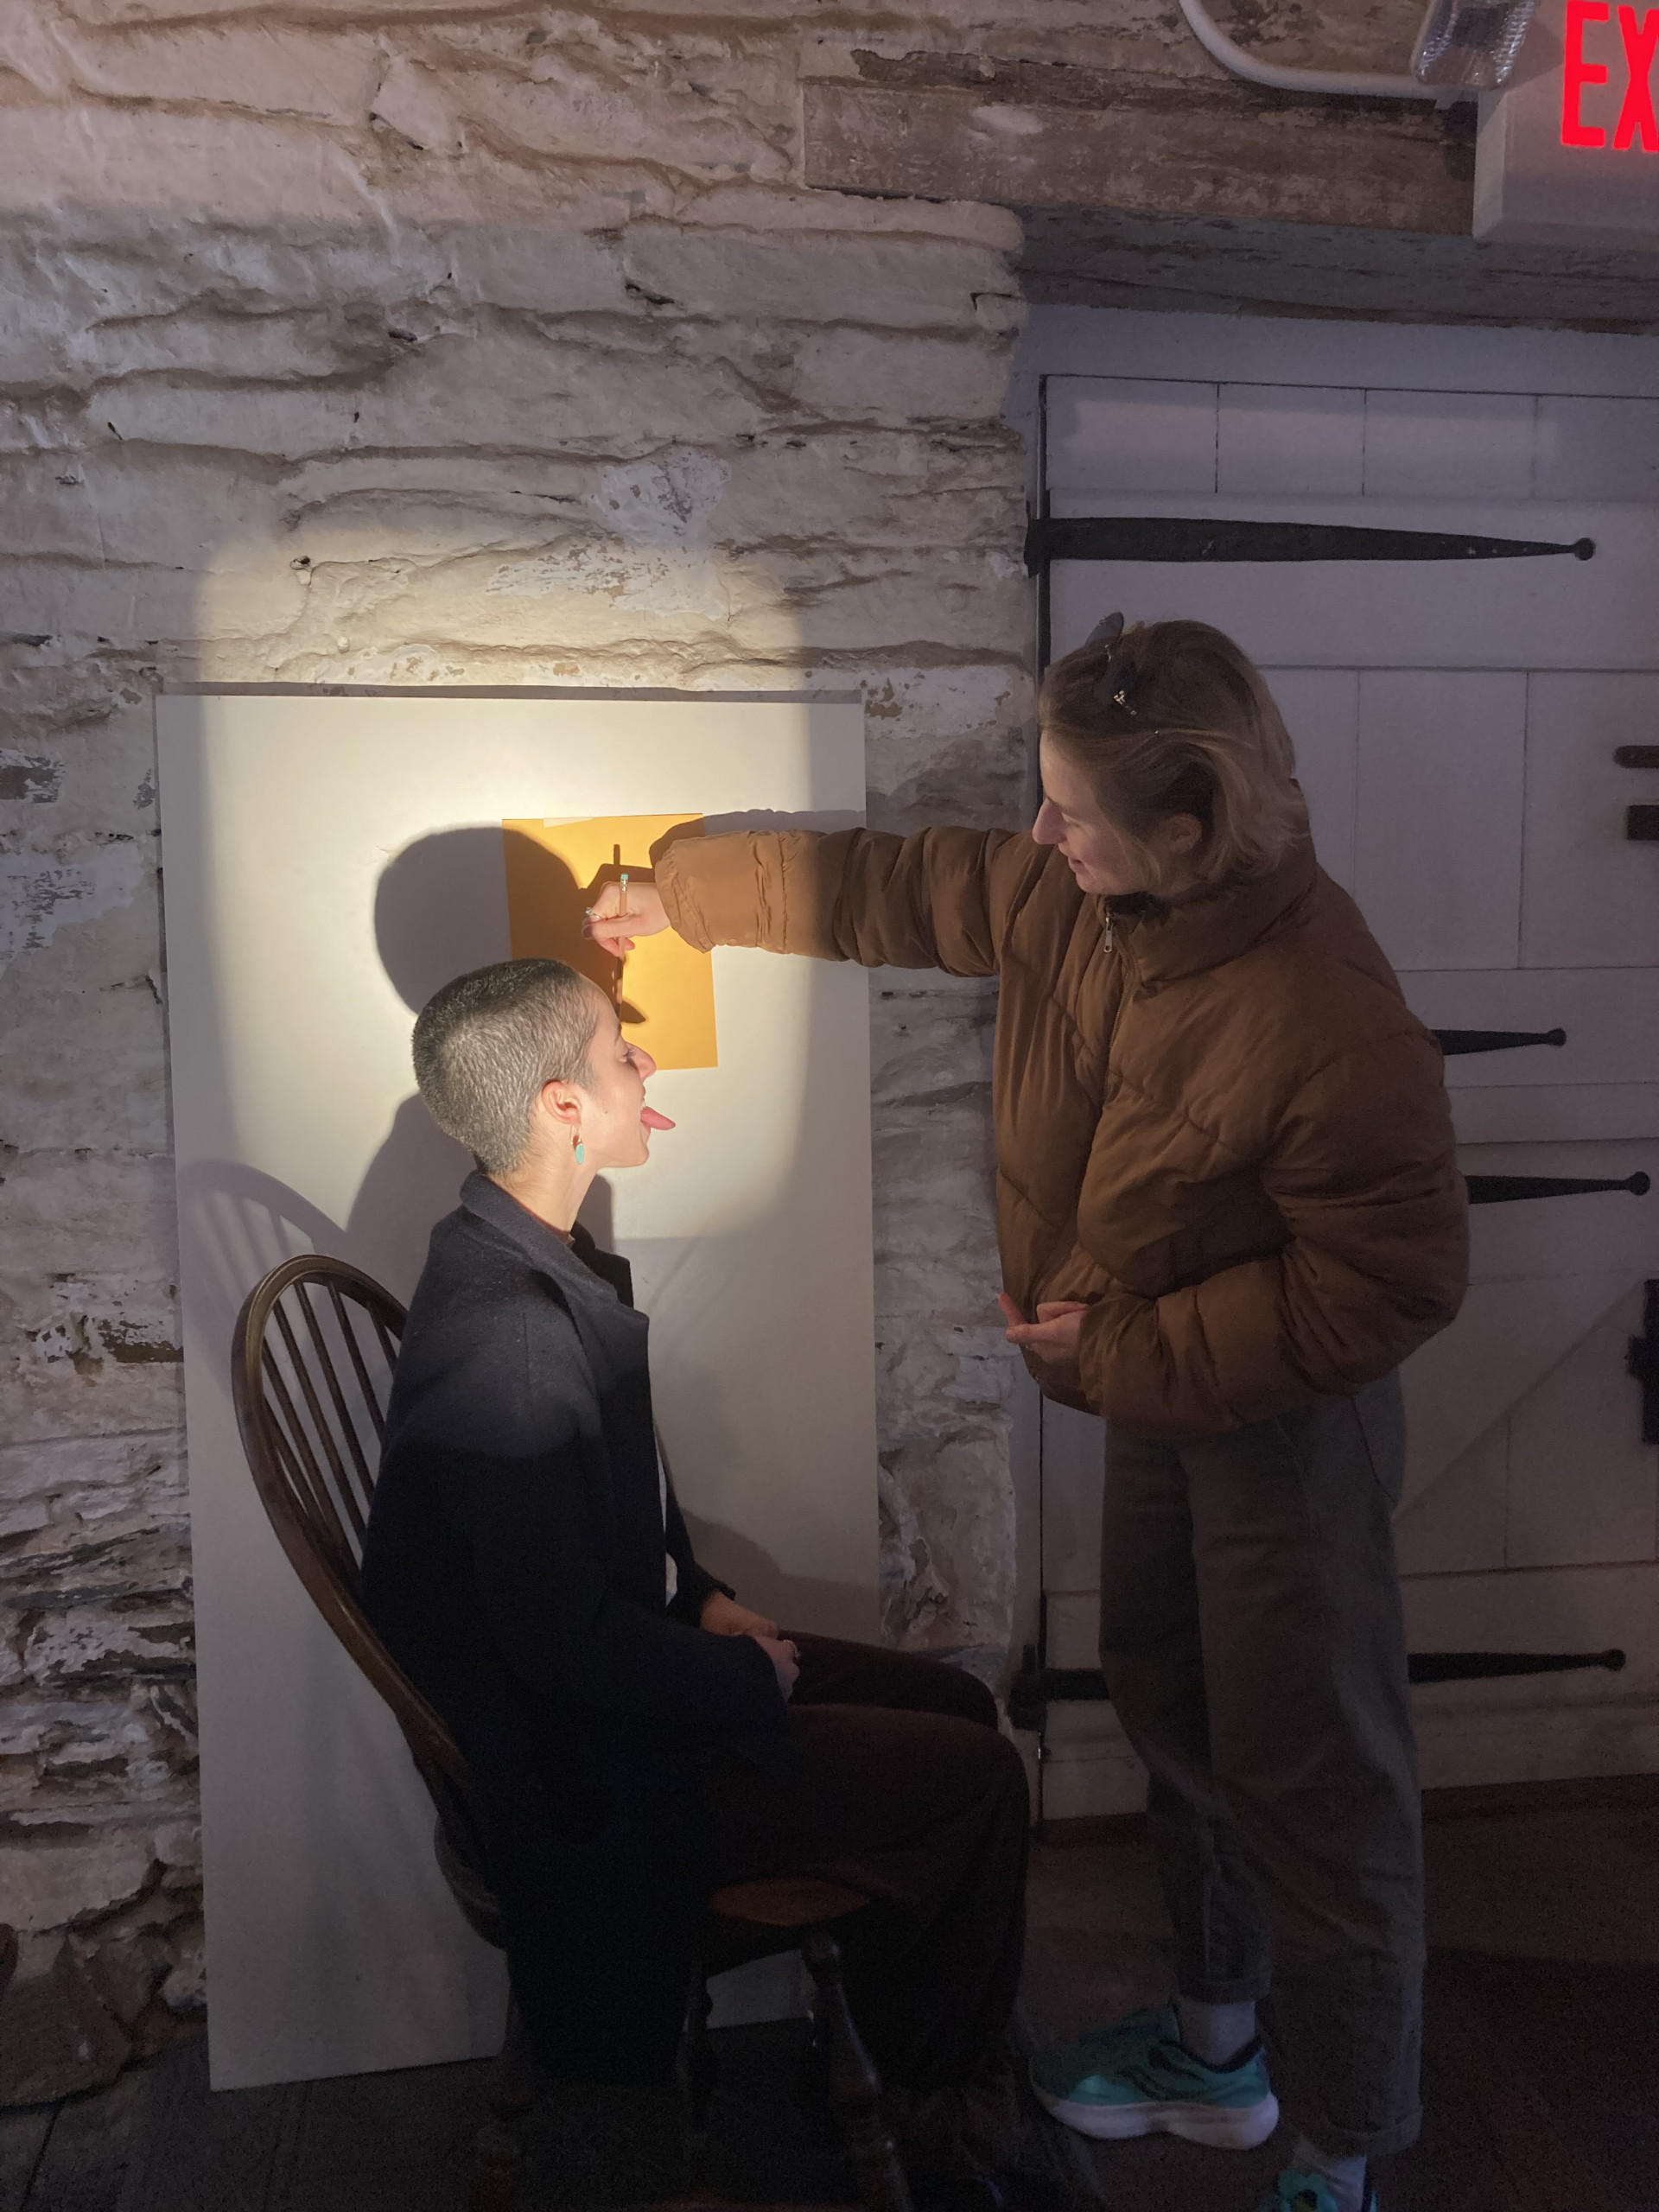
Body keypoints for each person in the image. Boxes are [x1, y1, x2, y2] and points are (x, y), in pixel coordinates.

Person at [585, 617, 1469, 2212]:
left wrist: (1131, 1343)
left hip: (1284, 1432)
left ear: (1186, 830)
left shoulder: (1329, 1017)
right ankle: (1216, 2053)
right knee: (1176, 1711)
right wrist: (685, 895)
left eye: (1071, 810)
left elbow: (1392, 1287)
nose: (1042, 833)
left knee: (1315, 1785)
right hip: (1155, 1390)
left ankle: (1344, 2152)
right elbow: (904, 887)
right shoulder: (1083, 896)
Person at [359, 957, 1030, 2183]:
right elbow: (558, 1646)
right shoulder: (511, 1339)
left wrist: (701, 1597)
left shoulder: (517, 1256)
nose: (647, 1063)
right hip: (591, 1782)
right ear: (563, 1106)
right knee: (979, 1780)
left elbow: (604, 1523)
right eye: (622, 1049)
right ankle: (935, 2113)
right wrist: (741, 1681)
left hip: (627, 1682)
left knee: (953, 1704)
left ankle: (895, 2048)